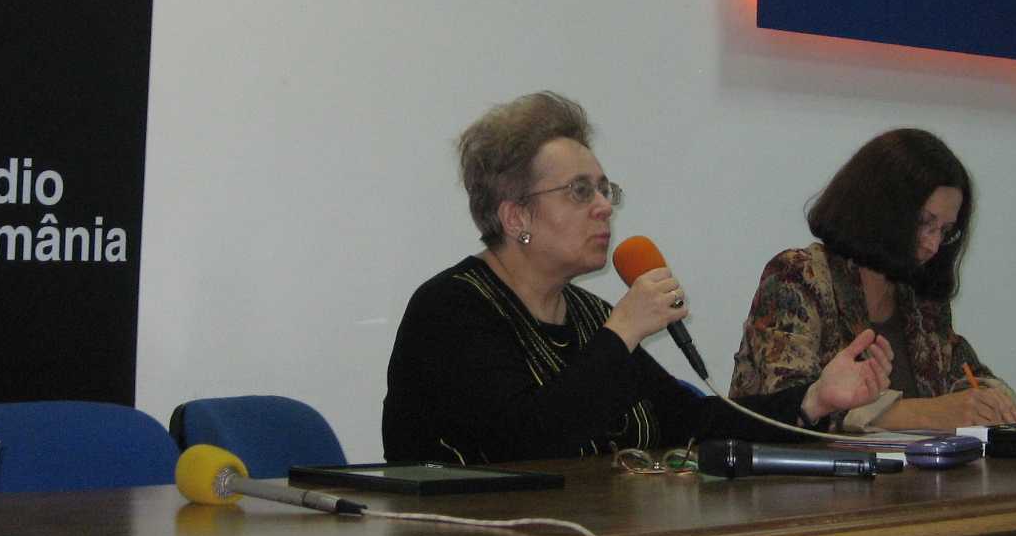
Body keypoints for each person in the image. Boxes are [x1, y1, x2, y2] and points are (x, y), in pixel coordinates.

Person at [382, 92, 891, 464]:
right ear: (516, 217)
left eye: (605, 190)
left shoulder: (590, 317)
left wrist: (813, 399)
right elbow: (525, 443)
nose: (605, 207)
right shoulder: (451, 310)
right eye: (580, 191)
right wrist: (622, 332)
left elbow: (690, 424)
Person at [729, 128, 1016, 432]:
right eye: (925, 222)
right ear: (880, 209)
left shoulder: (921, 299)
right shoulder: (799, 277)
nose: (933, 245)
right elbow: (789, 407)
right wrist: (927, 414)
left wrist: (988, 400)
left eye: (945, 231)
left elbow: (973, 379)